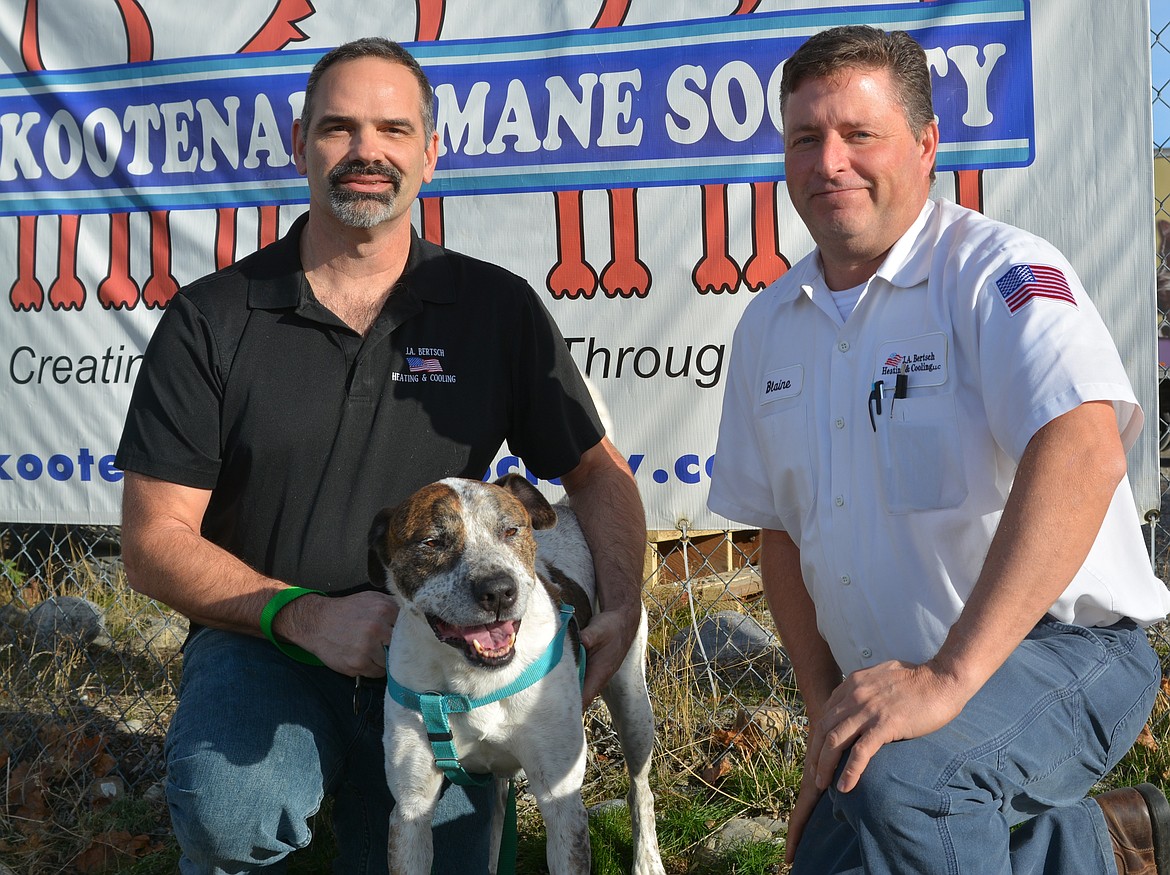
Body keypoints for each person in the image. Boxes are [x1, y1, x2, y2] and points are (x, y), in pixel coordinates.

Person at [116, 37, 646, 874]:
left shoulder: (495, 309)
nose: (368, 151)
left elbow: (598, 473)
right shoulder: (212, 318)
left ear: (430, 153)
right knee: (233, 813)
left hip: (453, 655)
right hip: (267, 643)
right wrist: (302, 613)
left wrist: (620, 608)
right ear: (300, 145)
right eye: (340, 128)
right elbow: (152, 543)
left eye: (394, 129)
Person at [708, 24, 1170, 875]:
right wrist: (822, 718)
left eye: (860, 134)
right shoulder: (770, 325)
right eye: (806, 138)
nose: (830, 161)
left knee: (914, 787)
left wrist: (951, 677)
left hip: (1065, 653)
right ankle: (1095, 846)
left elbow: (1086, 450)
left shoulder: (997, 275)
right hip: (898, 683)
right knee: (827, 858)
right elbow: (779, 533)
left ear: (925, 145)